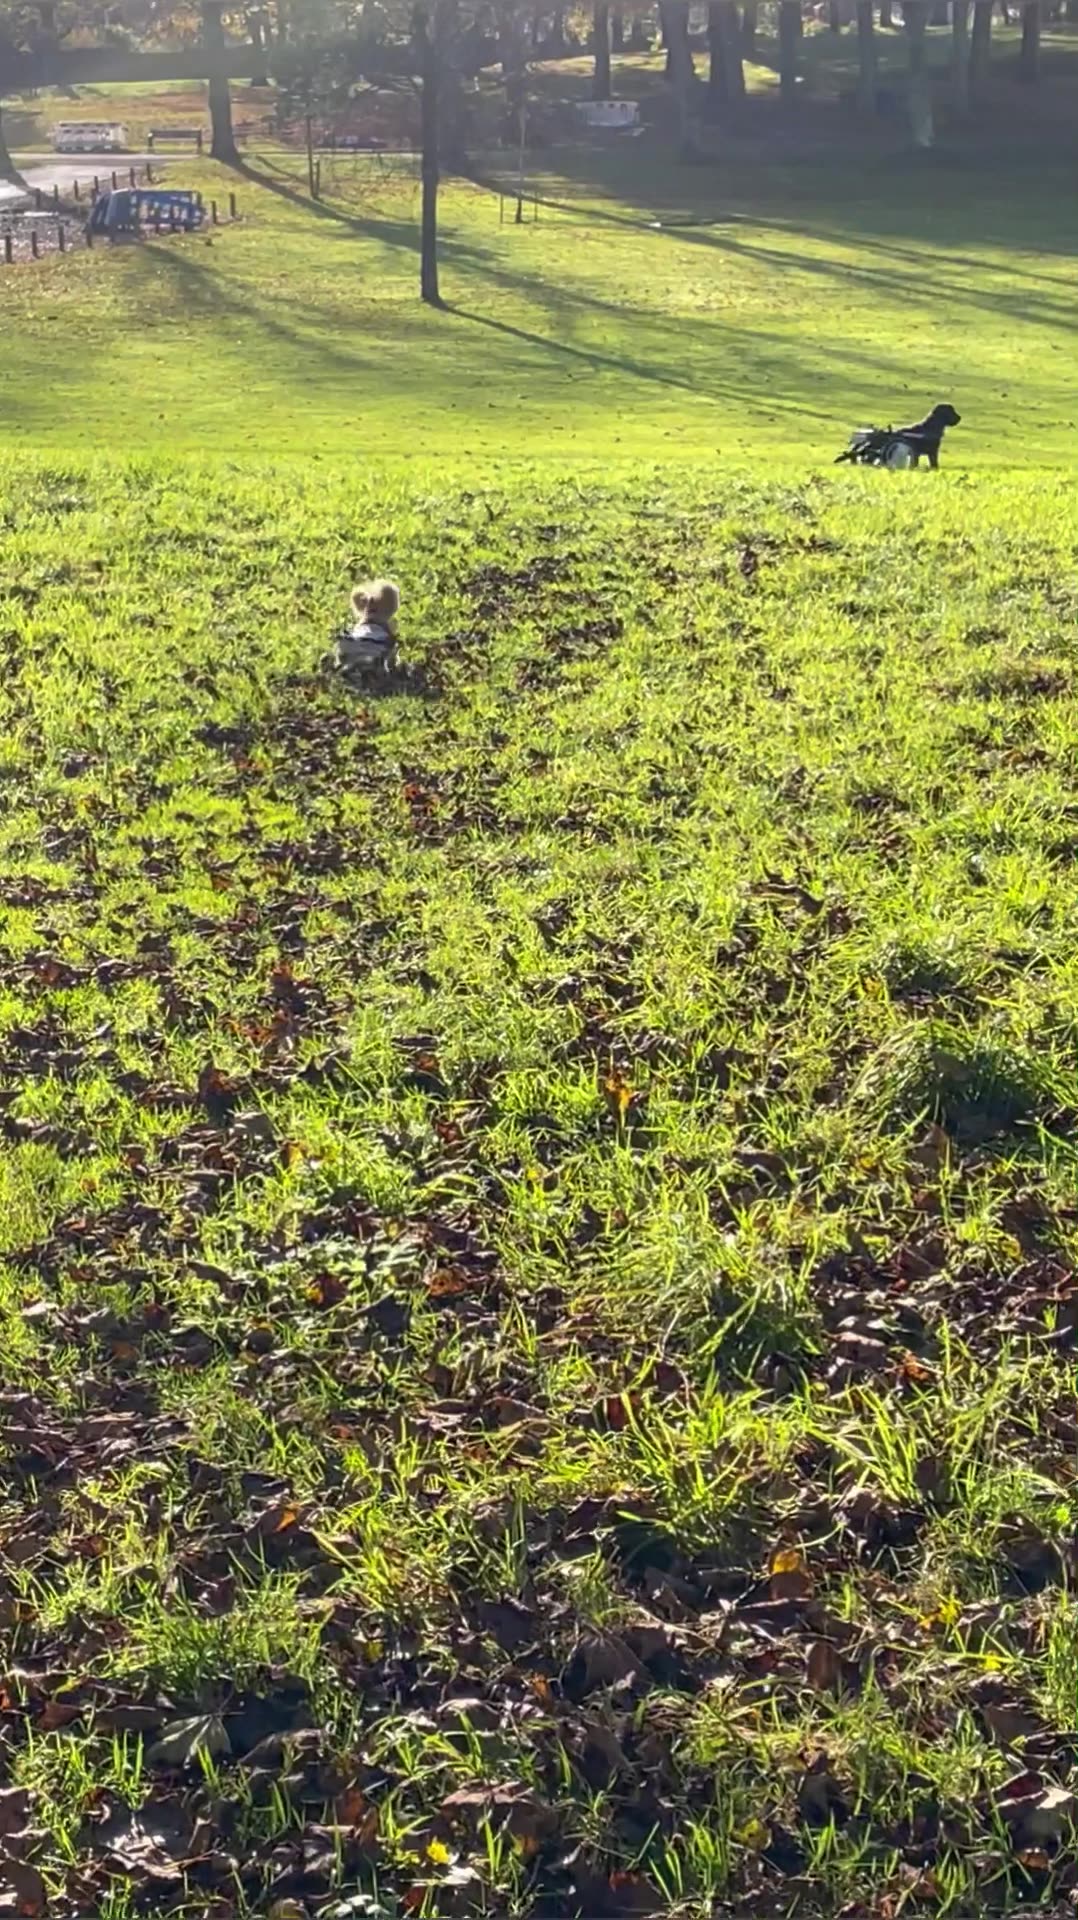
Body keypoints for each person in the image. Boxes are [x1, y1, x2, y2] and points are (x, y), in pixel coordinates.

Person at [334, 579, 400, 680]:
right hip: (369, 645)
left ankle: (352, 667)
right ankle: (362, 668)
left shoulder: (368, 624)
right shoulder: (383, 625)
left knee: (351, 653)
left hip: (360, 644)